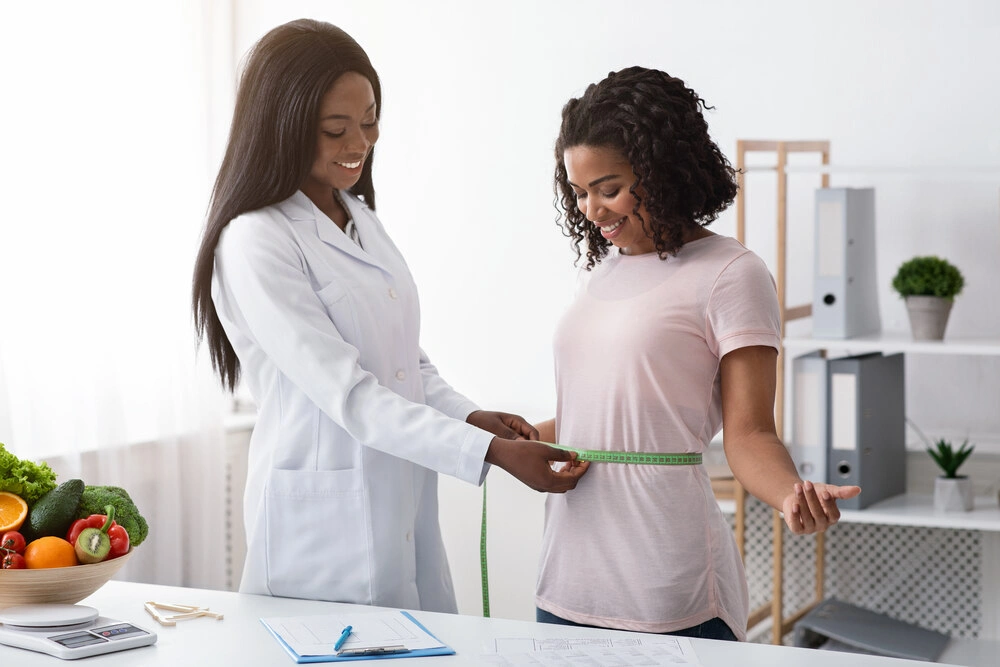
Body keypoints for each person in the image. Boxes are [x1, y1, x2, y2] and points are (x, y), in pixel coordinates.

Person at [190, 18, 588, 613]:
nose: (359, 143)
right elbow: (349, 393)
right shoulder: (255, 241)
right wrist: (491, 455)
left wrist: (474, 418)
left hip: (397, 505)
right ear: (284, 125)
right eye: (335, 129)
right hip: (320, 540)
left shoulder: (357, 217)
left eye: (370, 121)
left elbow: (403, 362)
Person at [532, 66, 861, 641]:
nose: (591, 209)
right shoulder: (600, 275)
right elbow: (618, 414)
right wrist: (510, 441)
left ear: (661, 173)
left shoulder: (732, 275)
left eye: (608, 188)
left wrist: (792, 495)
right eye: (578, 192)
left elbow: (750, 432)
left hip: (665, 584)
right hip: (567, 578)